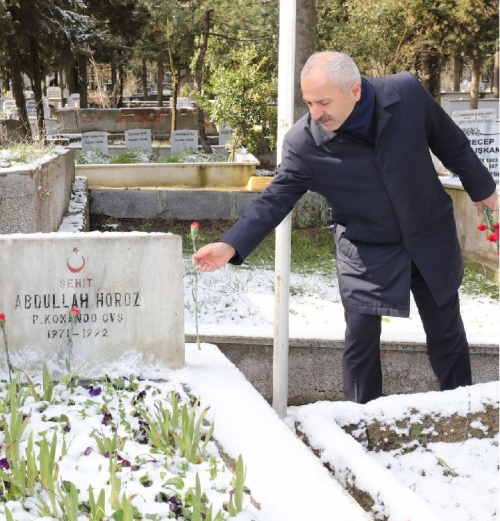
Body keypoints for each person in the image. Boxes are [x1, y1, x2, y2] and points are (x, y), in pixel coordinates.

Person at [192, 52, 498, 404]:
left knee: (446, 331)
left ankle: (462, 407)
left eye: (323, 101)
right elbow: (275, 199)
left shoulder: (407, 94)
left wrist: (483, 191)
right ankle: (362, 421)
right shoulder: (303, 143)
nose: (316, 112)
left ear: (354, 90)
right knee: (360, 339)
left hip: (428, 233)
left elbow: (450, 141)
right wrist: (230, 244)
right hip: (365, 247)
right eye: (309, 102)